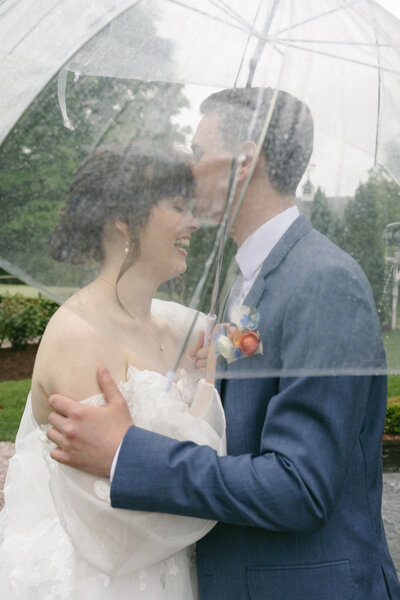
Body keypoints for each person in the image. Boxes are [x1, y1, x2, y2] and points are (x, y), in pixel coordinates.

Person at [46, 88, 400, 600]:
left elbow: (300, 488)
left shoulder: (323, 279)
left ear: (245, 162)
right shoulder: (246, 280)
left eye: (196, 152)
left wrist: (128, 454)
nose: (187, 171)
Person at [0, 144, 226, 599]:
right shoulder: (81, 335)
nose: (194, 224)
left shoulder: (179, 325)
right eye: (179, 207)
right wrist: (207, 389)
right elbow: (107, 526)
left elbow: (241, 335)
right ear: (123, 218)